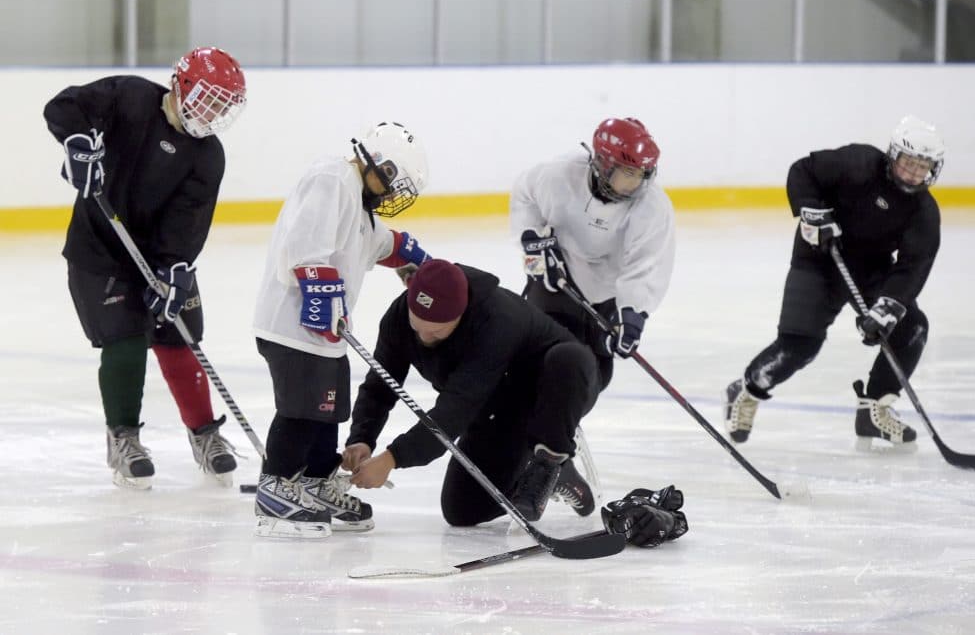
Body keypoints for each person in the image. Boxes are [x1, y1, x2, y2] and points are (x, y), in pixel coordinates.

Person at [43, 47, 248, 490]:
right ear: (182, 86)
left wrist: (174, 270)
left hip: (157, 257)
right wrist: (77, 142)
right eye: (209, 100)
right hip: (99, 251)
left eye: (222, 107)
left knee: (181, 337)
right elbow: (65, 106)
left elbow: (188, 222)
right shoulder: (131, 97)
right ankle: (124, 439)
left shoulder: (208, 156)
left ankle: (204, 434)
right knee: (127, 339)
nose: (213, 114)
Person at [252, 121, 432, 538]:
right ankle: (274, 491)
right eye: (393, 184)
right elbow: (301, 245)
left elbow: (383, 243)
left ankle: (315, 482)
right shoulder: (332, 178)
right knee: (301, 409)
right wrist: (319, 291)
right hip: (290, 325)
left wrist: (419, 263)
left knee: (328, 409)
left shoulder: (361, 205)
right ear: (381, 166)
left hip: (325, 334)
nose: (391, 195)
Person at [723, 115, 945, 451]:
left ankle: (874, 410)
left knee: (911, 327)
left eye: (923, 166)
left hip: (871, 271)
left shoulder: (924, 212)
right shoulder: (859, 162)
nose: (914, 173)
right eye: (908, 162)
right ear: (893, 154)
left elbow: (912, 268)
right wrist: (812, 212)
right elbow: (803, 171)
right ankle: (747, 389)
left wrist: (887, 308)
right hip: (819, 259)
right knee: (799, 346)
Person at [342, 259, 602, 527]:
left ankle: (550, 460)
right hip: (494, 407)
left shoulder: (496, 320)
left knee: (569, 358)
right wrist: (362, 438)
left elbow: (455, 409)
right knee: (463, 510)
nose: (425, 338)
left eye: (437, 331)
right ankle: (556, 475)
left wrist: (392, 458)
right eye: (417, 327)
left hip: (555, 394)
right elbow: (380, 384)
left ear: (462, 314)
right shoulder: (398, 318)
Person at [508, 117, 675, 511]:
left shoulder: (652, 209)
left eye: (641, 175)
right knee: (533, 370)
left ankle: (552, 455)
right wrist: (534, 244)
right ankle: (547, 460)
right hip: (556, 286)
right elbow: (525, 197)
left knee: (592, 378)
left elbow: (645, 266)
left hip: (606, 297)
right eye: (627, 174)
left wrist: (633, 315)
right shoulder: (558, 176)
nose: (635, 184)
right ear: (601, 163)